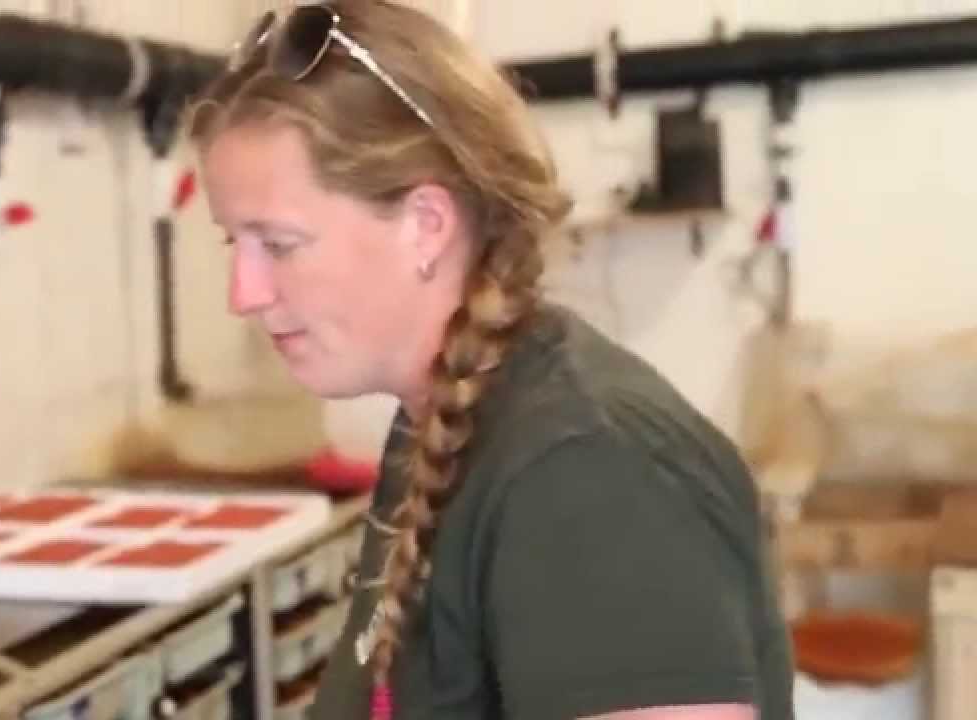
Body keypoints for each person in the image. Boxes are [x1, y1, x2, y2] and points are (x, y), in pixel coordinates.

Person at [186, 2, 796, 718]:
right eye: (235, 244)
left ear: (426, 226)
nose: (243, 294)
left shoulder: (587, 473)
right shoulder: (441, 420)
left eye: (279, 245)